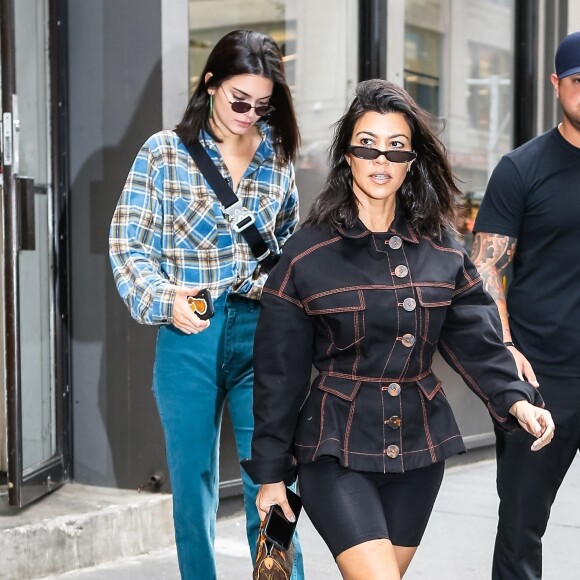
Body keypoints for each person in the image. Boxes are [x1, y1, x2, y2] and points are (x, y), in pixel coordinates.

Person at [240, 79, 555, 580]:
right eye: (367, 145)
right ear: (347, 155)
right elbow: (278, 375)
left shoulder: (443, 248)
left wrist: (517, 399)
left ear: (411, 161)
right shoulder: (306, 255)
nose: (380, 160)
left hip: (419, 449)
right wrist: (271, 475)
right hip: (334, 448)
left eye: (395, 149)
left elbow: (475, 338)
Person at [109, 30, 305, 580]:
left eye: (262, 104)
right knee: (191, 482)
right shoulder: (165, 153)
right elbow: (129, 245)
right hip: (189, 330)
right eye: (239, 99)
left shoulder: (276, 157)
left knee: (272, 479)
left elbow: (288, 248)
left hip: (262, 332)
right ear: (210, 83)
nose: (250, 113)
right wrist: (164, 300)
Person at [470, 31, 580, 580]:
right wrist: (506, 348)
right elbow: (486, 267)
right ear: (558, 84)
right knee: (521, 526)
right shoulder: (522, 169)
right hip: (545, 376)